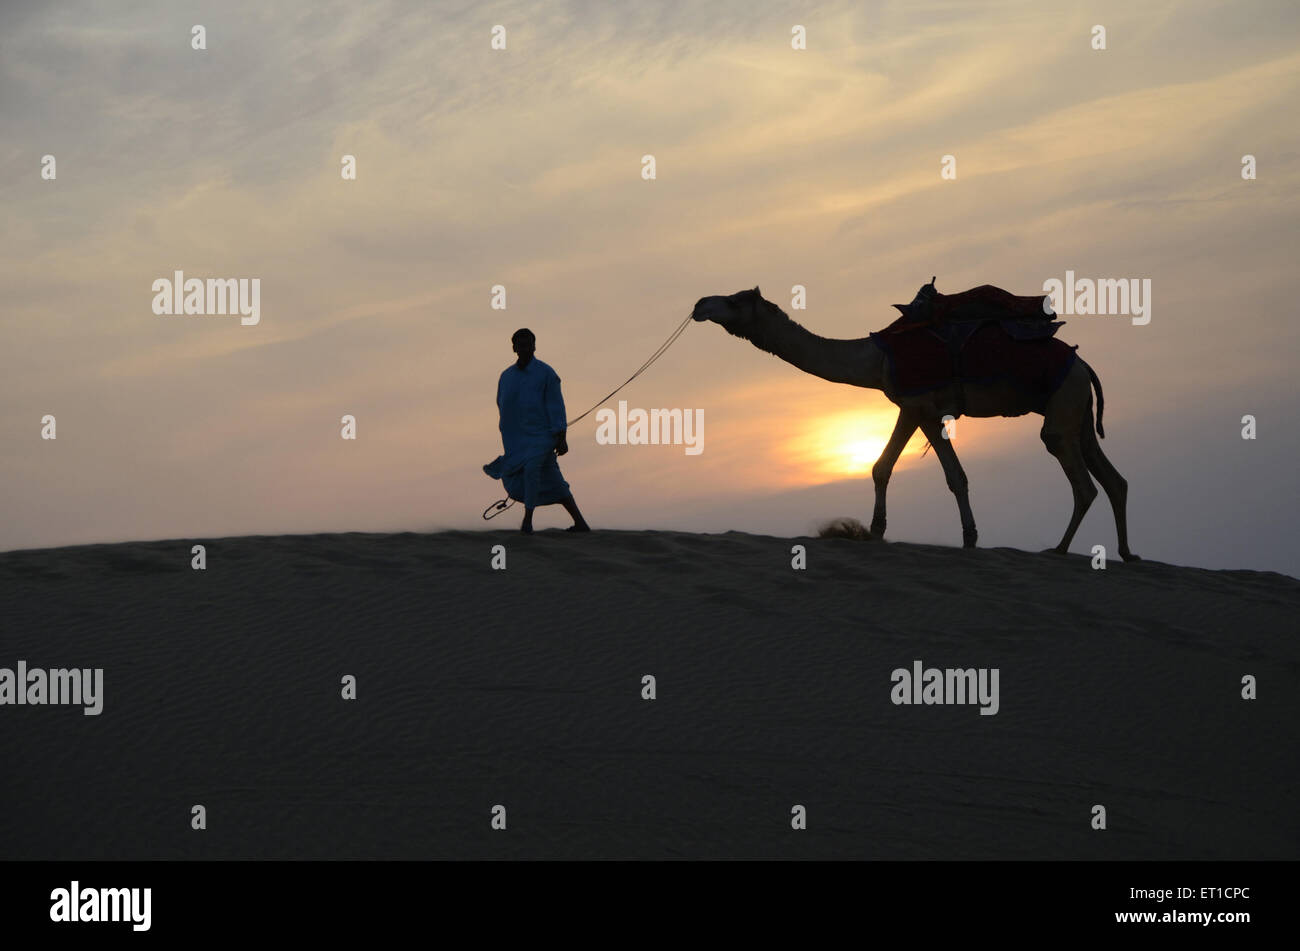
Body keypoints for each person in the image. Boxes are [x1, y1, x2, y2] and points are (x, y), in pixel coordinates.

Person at [483, 328, 591, 534]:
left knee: (532, 469)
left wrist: (561, 437)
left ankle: (527, 522)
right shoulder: (506, 377)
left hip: (543, 437)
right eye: (519, 344)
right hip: (517, 441)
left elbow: (556, 406)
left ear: (534, 346)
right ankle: (581, 524)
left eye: (527, 344)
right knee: (554, 482)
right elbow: (502, 406)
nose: (523, 348)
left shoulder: (546, 374)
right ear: (514, 348)